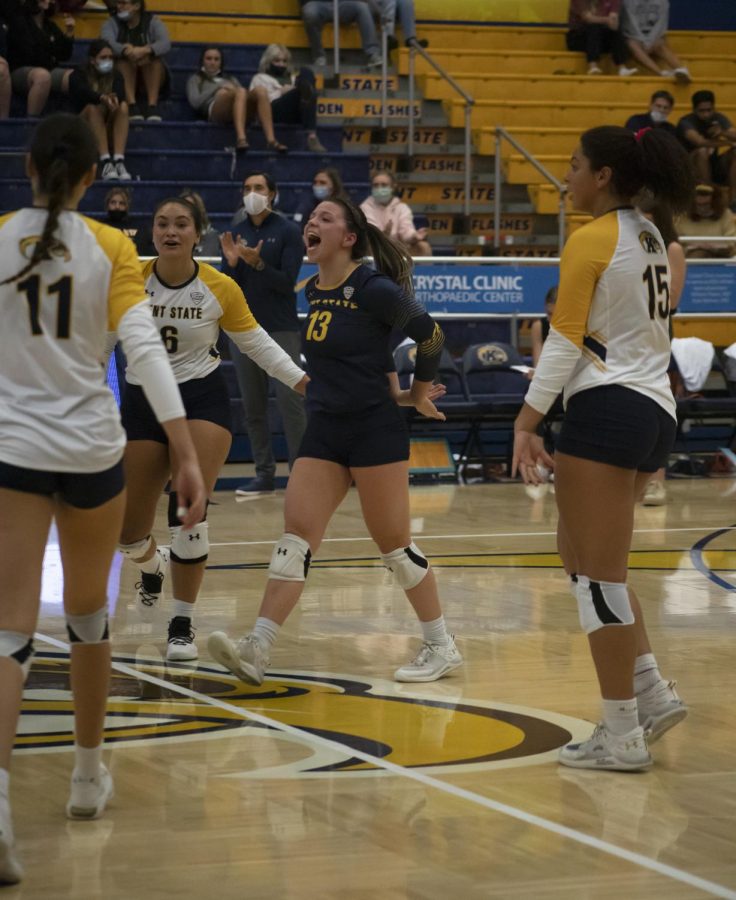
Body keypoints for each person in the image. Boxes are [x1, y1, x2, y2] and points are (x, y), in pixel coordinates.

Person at [0, 113, 206, 885]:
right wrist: (184, 450)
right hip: (91, 452)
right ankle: (88, 776)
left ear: (28, 167)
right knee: (89, 619)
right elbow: (144, 350)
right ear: (93, 178)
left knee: (7, 631)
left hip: (12, 450)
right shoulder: (112, 247)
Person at [208, 197, 463, 687]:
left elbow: (430, 336)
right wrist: (398, 387)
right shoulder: (313, 290)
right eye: (311, 216)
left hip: (373, 429)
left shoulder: (372, 286)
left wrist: (415, 392)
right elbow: (373, 352)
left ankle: (441, 644)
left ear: (349, 238)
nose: (312, 221)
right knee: (294, 540)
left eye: (325, 217)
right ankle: (257, 646)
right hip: (325, 425)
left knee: (395, 547)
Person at [512, 125, 692, 771]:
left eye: (575, 164)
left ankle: (620, 732)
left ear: (604, 176)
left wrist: (526, 421)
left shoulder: (592, 238)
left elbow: (563, 342)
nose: (568, 176)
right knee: (583, 556)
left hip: (608, 407)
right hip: (655, 413)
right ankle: (648, 690)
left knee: (597, 578)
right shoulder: (649, 235)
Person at [114, 196, 308, 662]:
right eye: (162, 223)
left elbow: (256, 343)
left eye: (181, 223)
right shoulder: (129, 284)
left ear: (196, 234)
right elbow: (99, 346)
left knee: (188, 511)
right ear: (152, 233)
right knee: (127, 534)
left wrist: (302, 380)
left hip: (201, 398)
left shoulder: (219, 287)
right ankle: (154, 565)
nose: (170, 231)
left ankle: (182, 621)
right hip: (143, 402)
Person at [221, 171, 307, 496]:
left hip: (280, 327)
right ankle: (264, 475)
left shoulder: (287, 231)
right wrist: (231, 264)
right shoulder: (237, 231)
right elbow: (226, 286)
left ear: (272, 193)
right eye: (247, 187)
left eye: (258, 187)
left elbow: (288, 283)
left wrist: (257, 264)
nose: (251, 192)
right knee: (252, 407)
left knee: (291, 403)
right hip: (242, 329)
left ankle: (301, 475)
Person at [637, 191, 686, 505]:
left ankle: (657, 480)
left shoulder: (672, 249)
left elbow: (672, 301)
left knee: (657, 403)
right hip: (627, 333)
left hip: (655, 332)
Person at [185, 46, 287, 154]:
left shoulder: (230, 78)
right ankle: (241, 139)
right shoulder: (196, 79)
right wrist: (219, 88)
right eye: (209, 59)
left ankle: (271, 140)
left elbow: (243, 95)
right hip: (214, 109)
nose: (212, 62)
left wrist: (230, 90)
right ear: (202, 61)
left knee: (260, 91)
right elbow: (195, 102)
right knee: (240, 91)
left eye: (216, 59)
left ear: (221, 62)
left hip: (236, 106)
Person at [69, 38, 130, 181]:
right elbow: (82, 93)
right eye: (103, 57)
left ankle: (119, 160)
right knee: (92, 108)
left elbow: (120, 94)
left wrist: (114, 100)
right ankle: (105, 161)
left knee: (123, 107)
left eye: (110, 57)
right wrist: (101, 98)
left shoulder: (117, 74)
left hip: (107, 123)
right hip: (82, 125)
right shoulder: (78, 74)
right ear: (92, 60)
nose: (108, 61)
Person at [100, 0, 171, 121]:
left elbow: (165, 43)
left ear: (137, 6)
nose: (119, 7)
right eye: (118, 3)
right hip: (123, 72)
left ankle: (152, 106)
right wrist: (124, 50)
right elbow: (106, 42)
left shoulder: (152, 20)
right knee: (124, 61)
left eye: (124, 3)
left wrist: (146, 50)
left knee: (152, 60)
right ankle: (131, 105)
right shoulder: (112, 22)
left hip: (148, 73)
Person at [250, 44, 326, 153]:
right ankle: (311, 135)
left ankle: (312, 136)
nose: (281, 64)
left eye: (284, 61)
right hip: (273, 112)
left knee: (306, 72)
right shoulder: (259, 78)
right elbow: (257, 102)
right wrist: (281, 92)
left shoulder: (293, 78)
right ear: (268, 61)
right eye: (277, 61)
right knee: (304, 91)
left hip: (296, 110)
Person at [6, 0, 74, 116]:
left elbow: (64, 55)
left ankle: (70, 121)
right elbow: (29, 55)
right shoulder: (20, 21)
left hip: (48, 69)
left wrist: (69, 33)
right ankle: (30, 123)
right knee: (42, 76)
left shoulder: (50, 25)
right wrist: (51, 58)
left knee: (75, 77)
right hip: (20, 70)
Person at [677, 91, 736, 206]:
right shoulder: (686, 122)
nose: (706, 114)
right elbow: (699, 142)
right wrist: (727, 142)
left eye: (709, 110)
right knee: (702, 152)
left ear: (713, 108)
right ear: (694, 110)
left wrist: (722, 132)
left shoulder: (719, 118)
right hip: (691, 167)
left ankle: (734, 199)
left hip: (714, 166)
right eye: (702, 111)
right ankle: (707, 193)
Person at [360, 170, 431, 257]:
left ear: (393, 187)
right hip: (375, 249)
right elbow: (371, 233)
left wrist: (414, 236)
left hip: (398, 249)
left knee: (423, 246)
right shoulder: (365, 207)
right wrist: (383, 234)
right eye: (376, 185)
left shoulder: (402, 208)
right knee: (370, 246)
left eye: (384, 185)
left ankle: (424, 271)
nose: (379, 188)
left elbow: (406, 231)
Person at [620, 0, 690, 81]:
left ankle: (681, 69)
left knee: (660, 44)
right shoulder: (627, 2)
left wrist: (649, 40)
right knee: (632, 44)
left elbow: (661, 25)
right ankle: (660, 73)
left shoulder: (663, 2)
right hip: (634, 35)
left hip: (654, 35)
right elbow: (630, 24)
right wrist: (643, 40)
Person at [299, 0, 382, 68]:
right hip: (316, 3)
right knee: (310, 13)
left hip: (341, 3)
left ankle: (373, 53)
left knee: (362, 7)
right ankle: (318, 56)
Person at [566, 0, 637, 77]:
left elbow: (613, 18)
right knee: (593, 27)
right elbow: (588, 18)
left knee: (614, 30)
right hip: (578, 38)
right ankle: (593, 66)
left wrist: (614, 21)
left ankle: (622, 68)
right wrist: (607, 20)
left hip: (599, 39)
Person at [676, 183, 736, 259]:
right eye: (698, 205)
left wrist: (712, 248)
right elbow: (675, 243)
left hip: (720, 259)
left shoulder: (726, 215)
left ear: (716, 203)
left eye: (706, 204)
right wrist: (694, 248)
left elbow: (732, 243)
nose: (702, 209)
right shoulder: (682, 217)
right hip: (690, 258)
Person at [178, 188, 221, 257]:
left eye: (190, 207)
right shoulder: (173, 235)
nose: (185, 212)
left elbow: (207, 260)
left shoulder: (211, 235)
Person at [530, 284, 557, 368]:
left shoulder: (578, 328)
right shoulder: (538, 326)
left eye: (556, 315)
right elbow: (538, 364)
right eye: (549, 314)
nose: (551, 319)